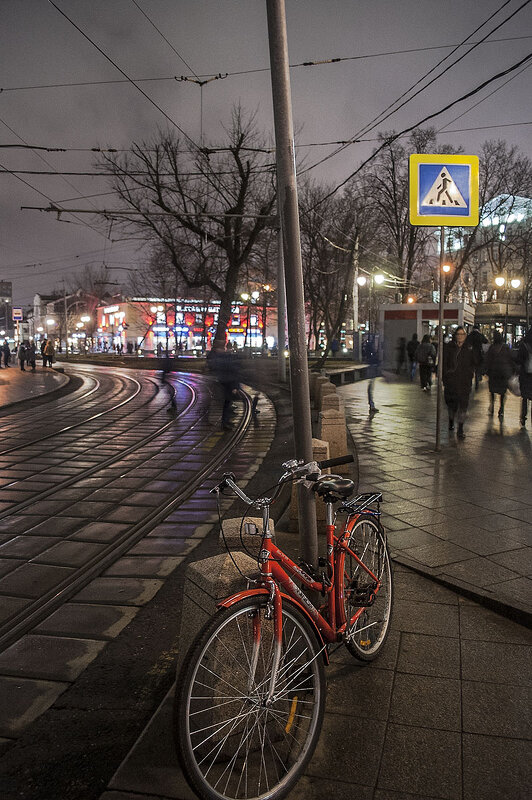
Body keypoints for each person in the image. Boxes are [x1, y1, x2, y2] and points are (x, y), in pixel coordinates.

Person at [442, 326, 479, 440]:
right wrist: (445, 377)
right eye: (458, 334)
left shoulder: (469, 348)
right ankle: (451, 421)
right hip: (451, 382)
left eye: (462, 334)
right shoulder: (449, 347)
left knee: (463, 406)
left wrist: (471, 372)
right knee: (452, 405)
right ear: (455, 335)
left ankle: (461, 429)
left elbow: (475, 362)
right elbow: (444, 363)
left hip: (464, 382)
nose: (460, 336)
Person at [208, 341, 242, 430]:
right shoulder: (226, 358)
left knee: (226, 403)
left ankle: (224, 421)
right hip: (227, 383)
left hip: (223, 383)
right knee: (226, 403)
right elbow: (232, 372)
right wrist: (235, 386)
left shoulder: (218, 358)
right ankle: (224, 422)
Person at [484, 331, 514, 419]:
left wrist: (486, 370)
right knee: (502, 392)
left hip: (493, 373)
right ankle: (501, 408)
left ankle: (492, 405)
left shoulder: (492, 347)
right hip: (503, 373)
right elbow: (511, 358)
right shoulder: (505, 347)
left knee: (492, 391)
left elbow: (487, 360)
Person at [517, 325, 532, 427]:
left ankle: (523, 417)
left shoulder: (524, 345)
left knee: (525, 398)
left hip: (525, 376)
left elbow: (519, 360)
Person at [466, 323, 488, 390]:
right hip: (478, 354)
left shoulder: (470, 335)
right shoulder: (480, 335)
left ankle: (470, 382)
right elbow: (486, 341)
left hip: (470, 354)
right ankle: (477, 381)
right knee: (478, 368)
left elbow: (466, 342)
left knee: (470, 369)